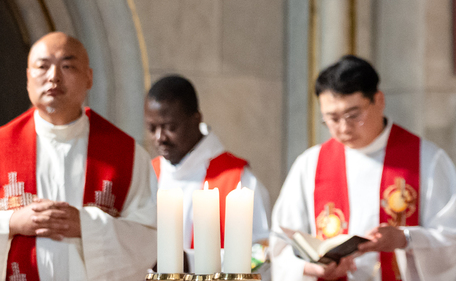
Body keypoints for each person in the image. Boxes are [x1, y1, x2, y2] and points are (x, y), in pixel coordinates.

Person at [270, 56, 456, 281]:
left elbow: (451, 237)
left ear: (379, 100)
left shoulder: (427, 159)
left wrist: (404, 239)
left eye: (353, 115)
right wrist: (309, 269)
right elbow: (281, 242)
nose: (344, 127)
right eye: (332, 118)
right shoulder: (310, 164)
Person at [0, 32, 157, 281]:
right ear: (28, 78)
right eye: (43, 66)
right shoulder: (2, 147)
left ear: (89, 77)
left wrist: (86, 226)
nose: (54, 76)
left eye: (67, 66)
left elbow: (150, 236)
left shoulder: (127, 155)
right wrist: (12, 222)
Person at [145, 75, 271, 268]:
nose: (160, 138)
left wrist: (190, 262)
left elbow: (262, 252)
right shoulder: (148, 174)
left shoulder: (238, 180)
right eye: (152, 128)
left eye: (170, 127)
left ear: (196, 119)